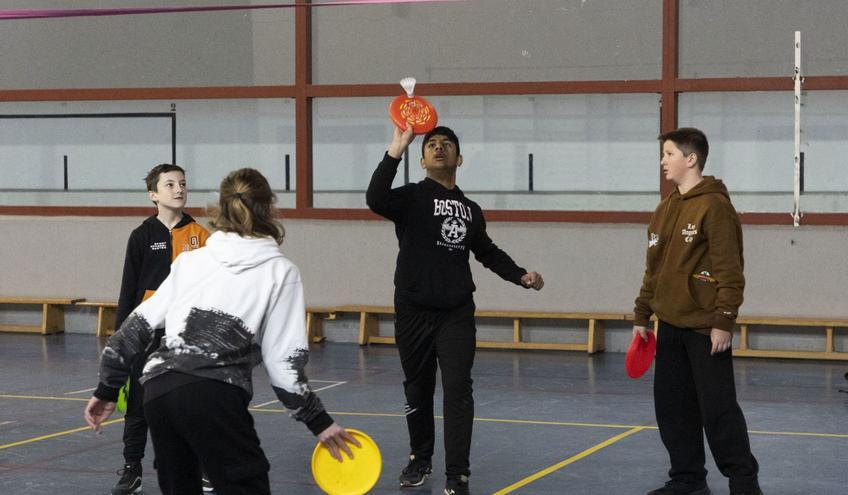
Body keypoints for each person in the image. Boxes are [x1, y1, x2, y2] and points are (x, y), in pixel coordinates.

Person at [86, 168, 357, 495]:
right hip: (213, 396)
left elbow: (132, 330)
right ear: (269, 207)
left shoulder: (191, 262)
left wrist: (106, 390)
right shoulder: (279, 272)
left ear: (221, 207)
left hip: (159, 394)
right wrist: (319, 422)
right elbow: (284, 368)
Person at [367, 124, 544, 495]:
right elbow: (375, 198)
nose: (439, 148)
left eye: (447, 144)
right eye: (431, 145)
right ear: (423, 159)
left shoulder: (470, 210)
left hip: (455, 313)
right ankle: (420, 458)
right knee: (417, 390)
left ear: (458, 158)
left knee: (458, 390)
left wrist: (520, 275)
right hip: (413, 310)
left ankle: (457, 475)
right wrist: (395, 149)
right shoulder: (411, 197)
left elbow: (487, 252)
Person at [631, 128, 762, 495]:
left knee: (718, 412)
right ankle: (688, 480)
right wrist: (643, 315)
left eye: (669, 154)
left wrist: (724, 320)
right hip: (668, 325)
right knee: (673, 410)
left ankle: (744, 483)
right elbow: (653, 268)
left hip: (706, 329)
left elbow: (730, 270)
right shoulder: (665, 208)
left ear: (691, 159)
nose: (663, 161)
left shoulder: (716, 207)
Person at [111, 163, 210, 495]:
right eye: (170, 185)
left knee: (192, 404)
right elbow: (129, 289)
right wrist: (120, 338)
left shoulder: (201, 235)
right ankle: (131, 469)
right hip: (147, 333)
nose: (179, 189)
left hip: (188, 336)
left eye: (182, 183)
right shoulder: (141, 236)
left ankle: (201, 466)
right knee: (139, 404)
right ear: (153, 195)